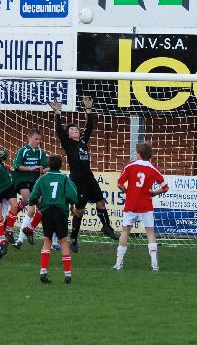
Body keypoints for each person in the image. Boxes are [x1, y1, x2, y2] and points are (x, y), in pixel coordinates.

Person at [49, 96, 119, 253]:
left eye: (76, 129)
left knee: (100, 203)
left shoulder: (82, 142)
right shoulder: (68, 143)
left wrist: (89, 111)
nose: (76, 130)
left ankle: (106, 227)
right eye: (72, 129)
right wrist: (57, 114)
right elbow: (59, 130)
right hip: (78, 180)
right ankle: (74, 239)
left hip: (89, 178)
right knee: (79, 210)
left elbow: (89, 127)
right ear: (68, 134)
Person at [114, 142, 169, 272]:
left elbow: (119, 184)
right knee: (150, 233)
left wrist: (128, 192)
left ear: (138, 153)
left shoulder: (130, 166)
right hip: (146, 204)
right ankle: (154, 265)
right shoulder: (153, 169)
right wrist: (154, 193)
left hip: (131, 204)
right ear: (150, 155)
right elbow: (165, 188)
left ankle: (119, 264)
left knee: (125, 231)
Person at [28, 155, 78, 284]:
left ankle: (43, 271)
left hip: (47, 212)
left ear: (49, 166)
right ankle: (67, 274)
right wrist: (71, 203)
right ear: (61, 165)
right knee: (63, 241)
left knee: (47, 240)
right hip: (60, 212)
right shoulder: (65, 178)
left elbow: (32, 196)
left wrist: (36, 201)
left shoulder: (42, 178)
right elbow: (73, 195)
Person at [12, 128, 48, 249]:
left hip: (34, 182)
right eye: (36, 139)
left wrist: (44, 170)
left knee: (40, 208)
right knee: (29, 201)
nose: (38, 141)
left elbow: (46, 166)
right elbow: (17, 166)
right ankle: (13, 216)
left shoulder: (40, 152)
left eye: (39, 139)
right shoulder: (22, 151)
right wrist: (30, 168)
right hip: (21, 179)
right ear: (29, 138)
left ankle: (21, 239)